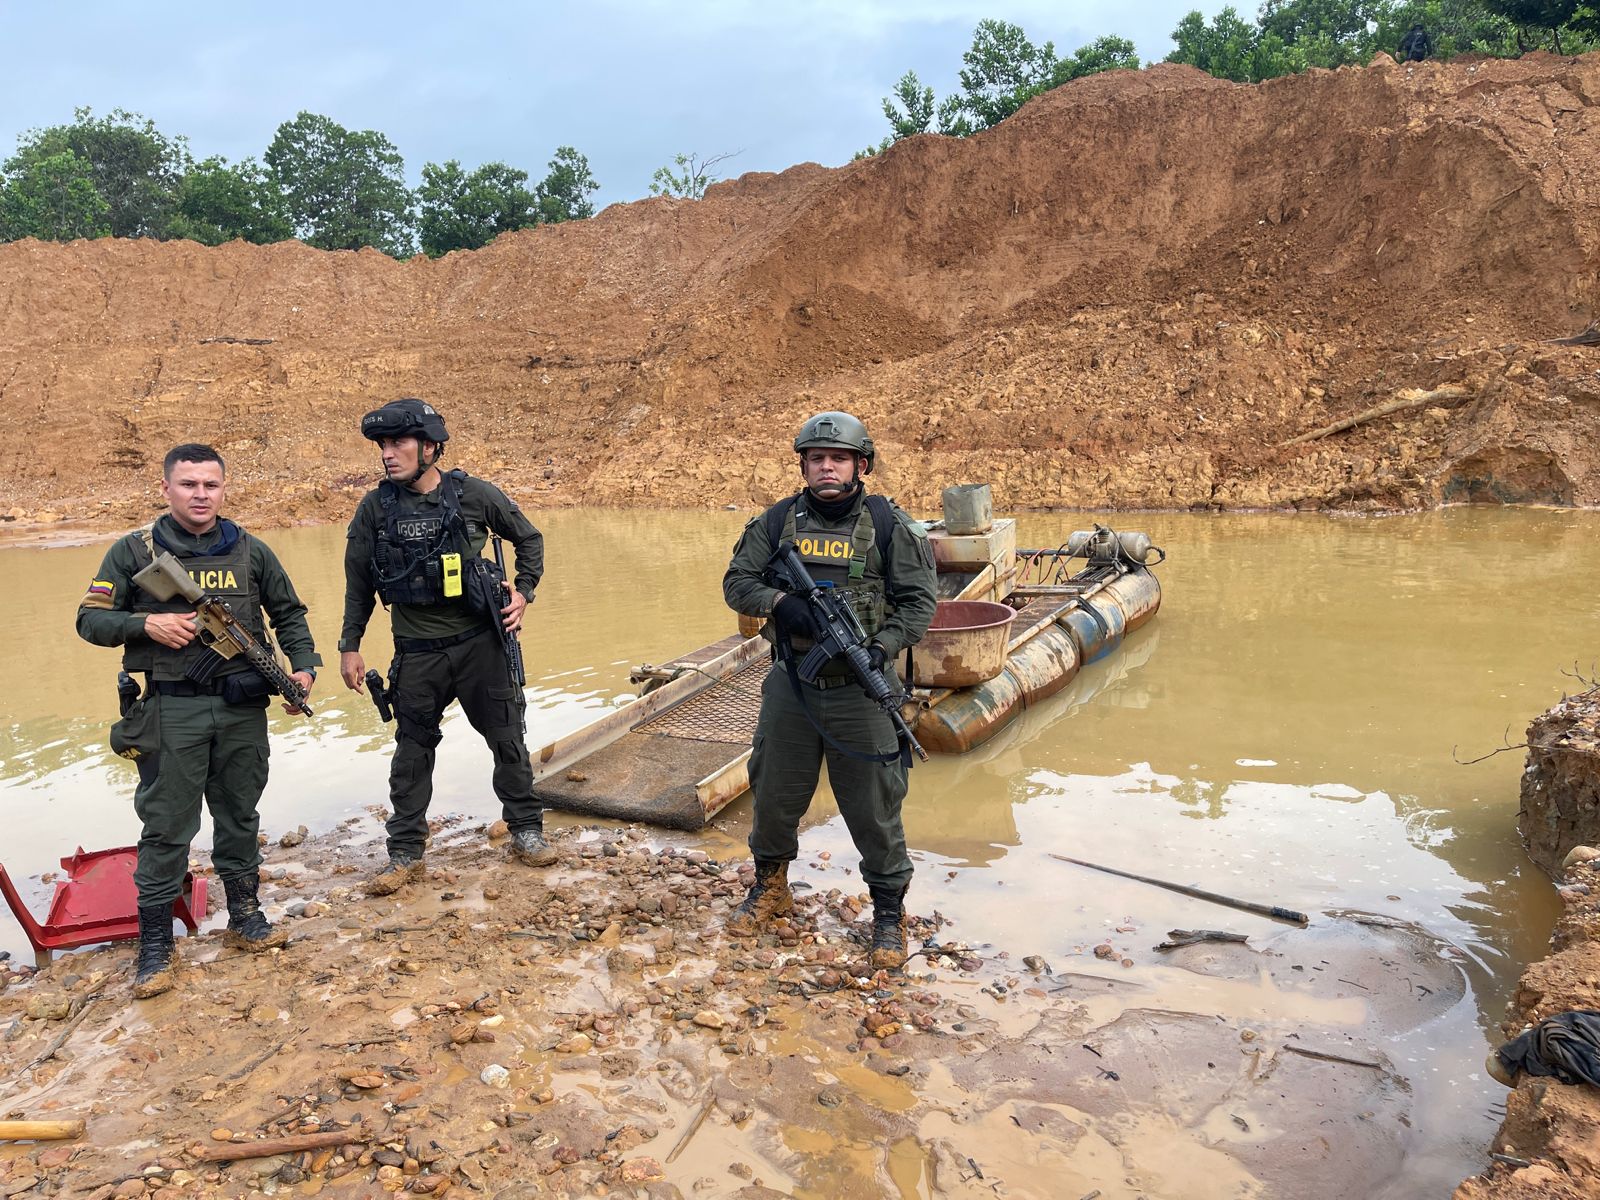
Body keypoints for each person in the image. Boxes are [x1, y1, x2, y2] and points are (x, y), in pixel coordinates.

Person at [76, 444, 319, 999]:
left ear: (223, 488)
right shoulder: (133, 551)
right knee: (166, 825)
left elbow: (289, 616)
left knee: (239, 812)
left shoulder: (252, 551)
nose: (200, 495)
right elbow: (90, 620)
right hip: (171, 708)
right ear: (167, 488)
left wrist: (303, 671)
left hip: (241, 709)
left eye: (210, 484)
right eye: (189, 484)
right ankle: (157, 944)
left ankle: (246, 915)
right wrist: (146, 625)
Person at [722, 412, 937, 968]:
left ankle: (888, 913)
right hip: (792, 682)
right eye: (816, 458)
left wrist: (882, 646)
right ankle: (770, 888)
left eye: (838, 458)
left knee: (874, 806)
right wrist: (781, 603)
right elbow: (737, 584)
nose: (826, 467)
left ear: (860, 465)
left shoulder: (892, 528)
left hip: (862, 692)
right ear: (804, 465)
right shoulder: (774, 524)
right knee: (773, 791)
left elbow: (919, 607)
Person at [339, 399, 551, 894]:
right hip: (416, 651)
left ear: (430, 447)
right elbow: (357, 583)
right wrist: (350, 645)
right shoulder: (374, 508)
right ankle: (406, 852)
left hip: (482, 645)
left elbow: (530, 539)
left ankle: (526, 830)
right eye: (383, 446)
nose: (389, 454)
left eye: (399, 443)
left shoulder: (474, 495)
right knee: (412, 752)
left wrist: (524, 593)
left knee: (507, 739)